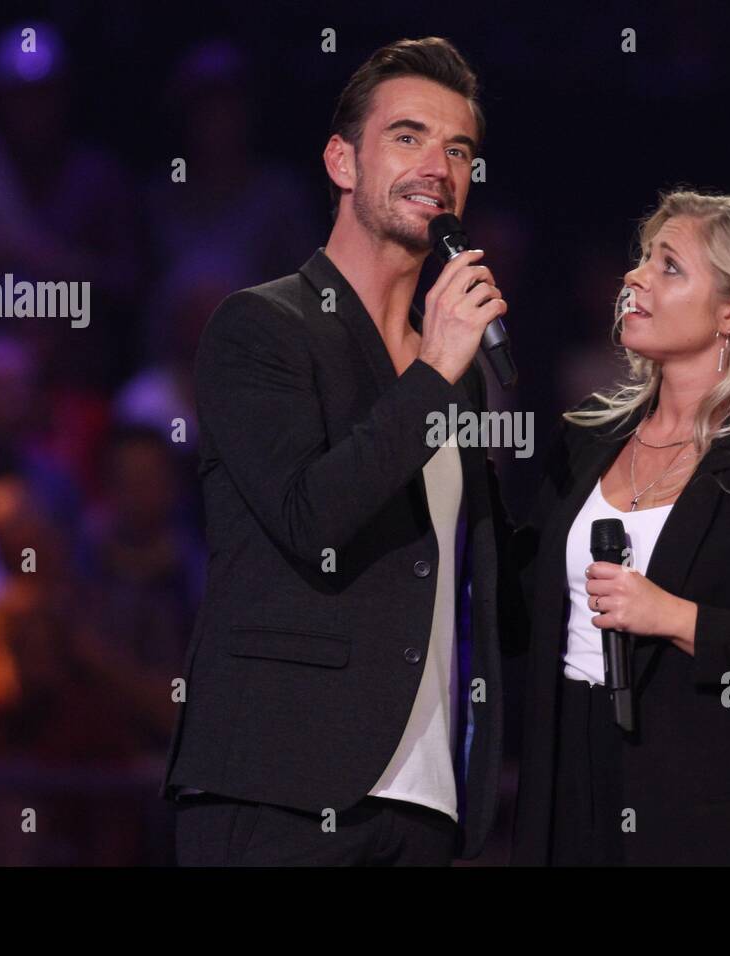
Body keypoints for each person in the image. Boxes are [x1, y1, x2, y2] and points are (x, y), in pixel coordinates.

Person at [162, 37, 513, 866]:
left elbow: (469, 572)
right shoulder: (262, 329)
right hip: (281, 786)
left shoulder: (452, 372)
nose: (438, 163)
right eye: (408, 136)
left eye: (457, 148)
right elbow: (311, 515)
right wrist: (432, 371)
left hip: (425, 801)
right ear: (341, 161)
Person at [509, 190, 730, 865]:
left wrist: (675, 616)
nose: (634, 278)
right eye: (642, 260)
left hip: (697, 811)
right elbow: (518, 609)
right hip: (569, 781)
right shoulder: (584, 438)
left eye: (668, 266)